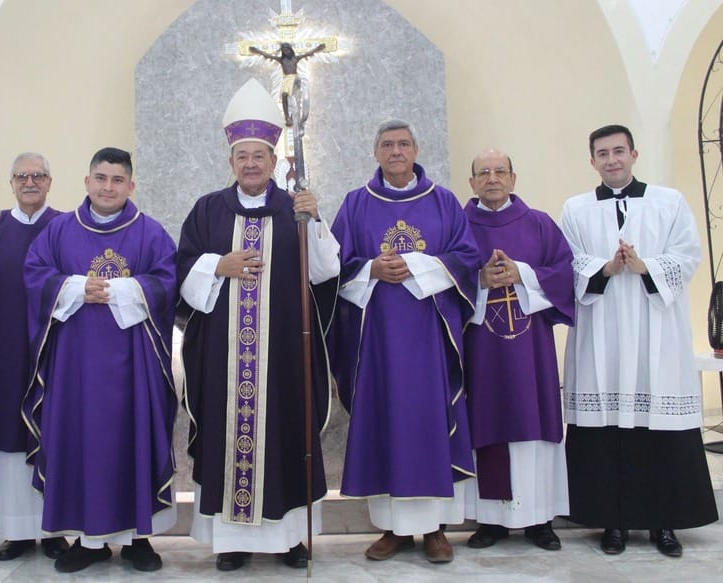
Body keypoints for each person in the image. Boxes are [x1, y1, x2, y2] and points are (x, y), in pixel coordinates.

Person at [177, 78, 340, 572]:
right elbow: (180, 269)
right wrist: (215, 267)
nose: (250, 164)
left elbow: (326, 272)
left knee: (288, 437)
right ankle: (232, 540)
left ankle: (290, 538)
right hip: (224, 359)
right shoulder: (208, 209)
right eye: (242, 156)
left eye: (259, 156)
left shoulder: (296, 208)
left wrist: (315, 222)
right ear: (231, 162)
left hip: (285, 355)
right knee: (230, 440)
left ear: (275, 162)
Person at [560, 124, 717, 558]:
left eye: (618, 151)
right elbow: (565, 261)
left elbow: (688, 255)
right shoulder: (575, 209)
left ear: (634, 154)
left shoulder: (668, 202)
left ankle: (664, 524)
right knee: (607, 430)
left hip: (655, 332)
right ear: (591, 161)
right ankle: (612, 522)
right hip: (602, 332)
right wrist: (605, 269)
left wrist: (646, 266)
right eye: (602, 154)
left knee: (660, 429)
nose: (612, 160)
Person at [330, 119, 479, 564]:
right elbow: (333, 265)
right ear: (375, 152)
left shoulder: (444, 202)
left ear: (415, 150)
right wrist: (370, 270)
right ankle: (393, 529)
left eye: (403, 144)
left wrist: (418, 266)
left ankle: (435, 530)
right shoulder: (356, 204)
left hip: (428, 334)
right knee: (384, 420)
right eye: (387, 145)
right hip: (375, 338)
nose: (396, 151)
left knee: (427, 420)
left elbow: (466, 257)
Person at [22, 147, 177, 574]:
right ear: (87, 182)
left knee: (134, 437)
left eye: (117, 180)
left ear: (131, 185)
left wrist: (122, 289)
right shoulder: (58, 232)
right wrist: (72, 287)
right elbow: (35, 275)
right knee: (80, 439)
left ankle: (138, 539)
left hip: (134, 364)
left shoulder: (150, 232)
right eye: (101, 178)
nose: (108, 187)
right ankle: (88, 540)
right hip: (75, 366)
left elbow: (167, 281)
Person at [461, 149, 575, 551]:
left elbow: (565, 274)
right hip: (481, 351)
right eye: (483, 173)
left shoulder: (539, 224)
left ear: (513, 178)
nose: (492, 178)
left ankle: (539, 520)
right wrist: (480, 281)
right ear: (472, 182)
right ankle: (491, 521)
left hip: (531, 352)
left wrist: (521, 274)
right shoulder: (459, 226)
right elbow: (447, 278)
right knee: (487, 423)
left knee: (534, 422)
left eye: (499, 171)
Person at [0, 152, 65, 561]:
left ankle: (55, 529)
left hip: (55, 348)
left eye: (38, 176)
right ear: (10, 182)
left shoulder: (65, 226)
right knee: (10, 438)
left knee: (54, 432)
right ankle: (16, 531)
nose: (30, 182)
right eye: (21, 176)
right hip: (5, 352)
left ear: (50, 182)